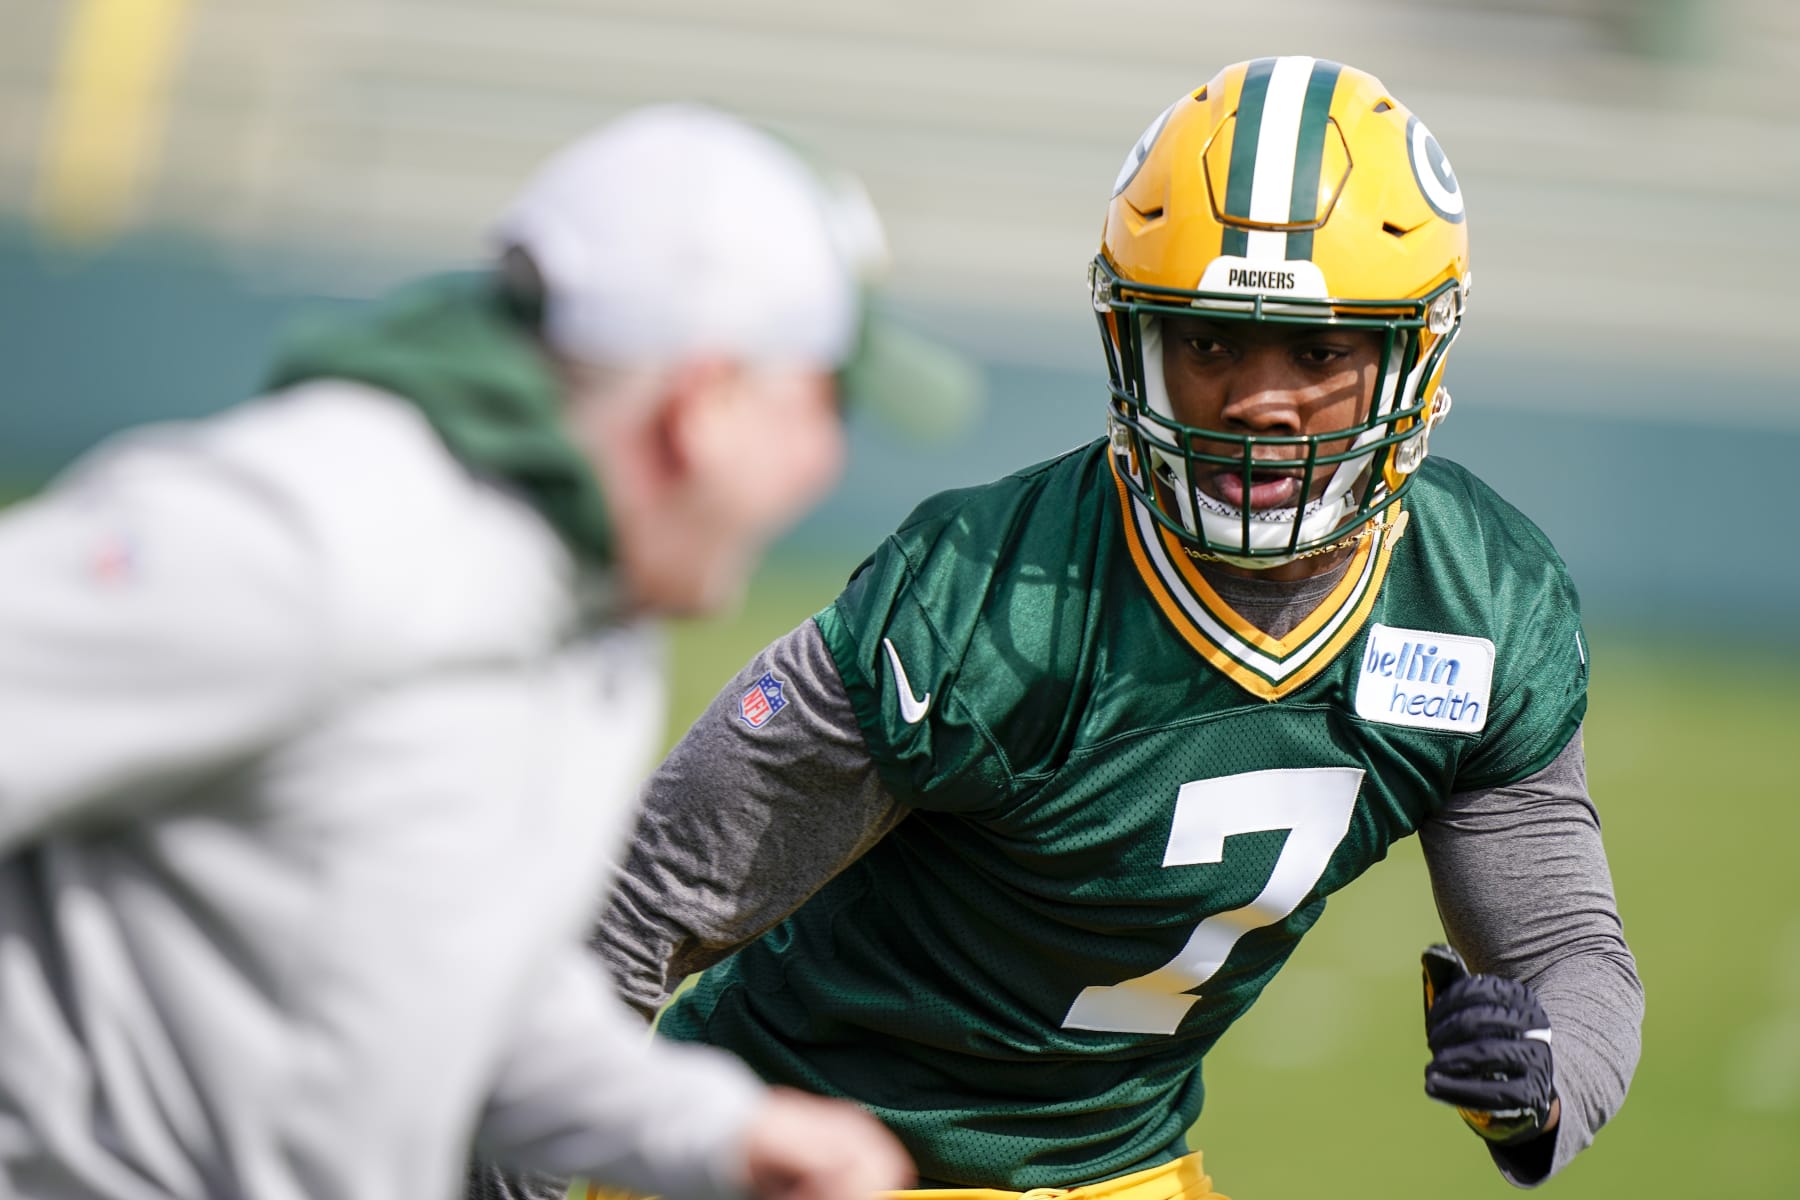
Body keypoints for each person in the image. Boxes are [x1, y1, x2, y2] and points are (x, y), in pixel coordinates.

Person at [477, 58, 1647, 1200]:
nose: (1257, 399)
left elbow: (1569, 955)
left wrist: (1547, 1074)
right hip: (799, 1145)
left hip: (1113, 1169)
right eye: (1209, 342)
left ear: (1413, 352)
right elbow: (639, 907)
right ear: (1134, 340)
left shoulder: (1476, 602)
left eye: (1321, 349)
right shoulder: (991, 600)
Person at [0, 105, 937, 1200]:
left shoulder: (591, 629)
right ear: (703, 407)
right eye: (825, 405)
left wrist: (715, 1134)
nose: (826, 462)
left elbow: (458, 992)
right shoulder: (305, 535)